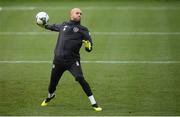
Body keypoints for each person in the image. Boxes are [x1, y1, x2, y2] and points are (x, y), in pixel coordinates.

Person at [37, 8, 102, 112]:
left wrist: (87, 46)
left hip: (72, 62)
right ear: (71, 15)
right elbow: (52, 27)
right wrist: (43, 25)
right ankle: (50, 96)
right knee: (52, 84)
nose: (80, 15)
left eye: (81, 13)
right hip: (58, 61)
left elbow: (89, 48)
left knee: (80, 78)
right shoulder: (64, 25)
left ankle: (94, 103)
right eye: (77, 13)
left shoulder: (83, 30)